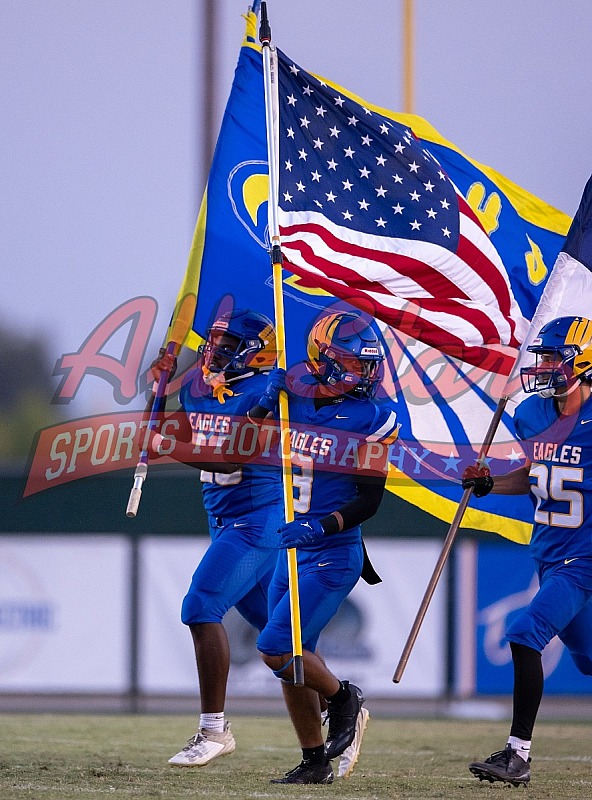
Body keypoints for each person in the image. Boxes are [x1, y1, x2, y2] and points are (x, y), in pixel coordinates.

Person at [250, 310, 400, 784]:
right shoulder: (294, 395)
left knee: (277, 648)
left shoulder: (373, 417)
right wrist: (264, 401)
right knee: (293, 666)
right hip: (290, 552)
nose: (364, 374)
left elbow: (370, 500)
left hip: (332, 552)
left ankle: (344, 698)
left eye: (368, 365)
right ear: (323, 360)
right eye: (354, 363)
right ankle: (314, 761)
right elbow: (248, 440)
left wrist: (319, 528)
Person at [148, 307, 284, 768]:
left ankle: (213, 730)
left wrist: (163, 445)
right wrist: (159, 388)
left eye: (228, 346)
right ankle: (341, 702)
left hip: (259, 517)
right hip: (222, 519)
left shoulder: (267, 393)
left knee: (200, 606)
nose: (215, 352)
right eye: (214, 343)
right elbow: (170, 433)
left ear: (256, 352)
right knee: (279, 636)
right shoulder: (200, 388)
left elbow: (230, 458)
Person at [462, 316, 592, 787]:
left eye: (557, 357)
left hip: (584, 559)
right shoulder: (533, 413)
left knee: (523, 634)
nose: (546, 366)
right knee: (588, 659)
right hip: (550, 554)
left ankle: (517, 755)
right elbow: (537, 475)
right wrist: (490, 483)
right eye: (545, 357)